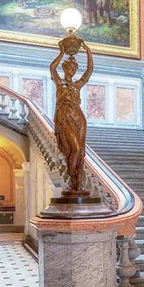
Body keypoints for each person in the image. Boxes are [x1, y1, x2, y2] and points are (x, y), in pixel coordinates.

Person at [50, 39, 93, 192]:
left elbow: (89, 70)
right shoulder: (59, 83)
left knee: (81, 150)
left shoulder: (77, 85)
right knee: (74, 148)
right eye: (70, 67)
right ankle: (70, 176)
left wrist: (88, 51)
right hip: (66, 117)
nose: (73, 70)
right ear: (65, 68)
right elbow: (52, 67)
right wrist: (62, 52)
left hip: (79, 118)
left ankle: (76, 181)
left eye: (74, 68)